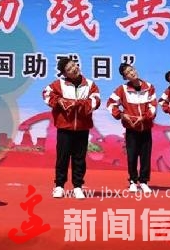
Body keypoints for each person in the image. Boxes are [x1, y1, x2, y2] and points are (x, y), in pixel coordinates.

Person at [43, 57, 101, 199]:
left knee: (79, 158)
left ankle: (78, 187)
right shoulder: (59, 84)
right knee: (62, 158)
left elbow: (96, 101)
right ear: (64, 73)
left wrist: (78, 104)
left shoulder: (89, 84)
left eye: (74, 65)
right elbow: (46, 94)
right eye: (69, 69)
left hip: (82, 127)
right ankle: (59, 186)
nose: (73, 69)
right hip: (64, 127)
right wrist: (59, 101)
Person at [107, 63, 157, 193]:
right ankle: (133, 181)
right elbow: (110, 104)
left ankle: (144, 181)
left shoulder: (149, 87)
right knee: (132, 156)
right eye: (128, 73)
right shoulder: (122, 89)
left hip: (146, 128)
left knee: (145, 156)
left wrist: (144, 117)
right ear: (125, 77)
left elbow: (153, 106)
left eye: (132, 70)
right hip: (131, 129)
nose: (132, 73)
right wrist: (121, 115)